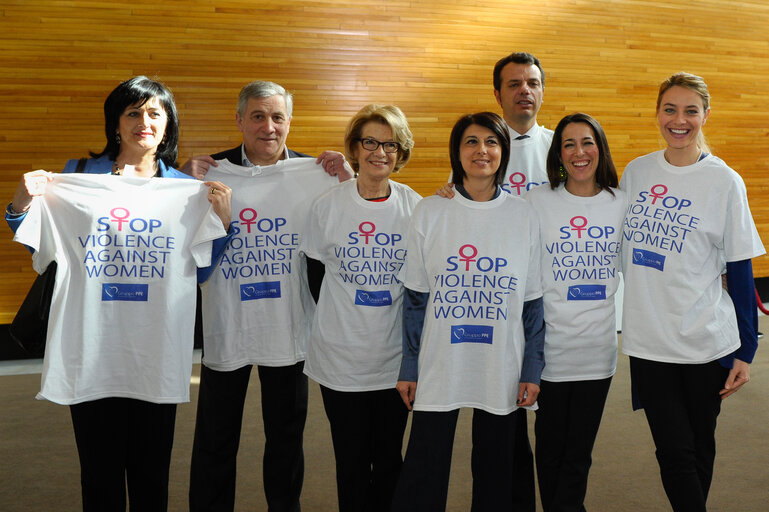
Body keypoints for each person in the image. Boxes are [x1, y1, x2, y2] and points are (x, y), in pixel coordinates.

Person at [5, 76, 232, 511]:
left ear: (168, 125)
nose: (143, 122)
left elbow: (203, 269)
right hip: (90, 349)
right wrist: (20, 204)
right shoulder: (74, 178)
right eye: (132, 113)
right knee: (99, 476)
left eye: (154, 113)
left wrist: (221, 221)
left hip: (155, 352)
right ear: (115, 123)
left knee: (152, 476)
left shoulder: (185, 192)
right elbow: (39, 244)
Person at [187, 80, 351, 512]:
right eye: (257, 116)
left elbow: (355, 216)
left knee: (286, 436)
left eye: (277, 117)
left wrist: (345, 174)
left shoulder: (314, 173)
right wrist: (183, 185)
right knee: (215, 437)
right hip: (227, 325)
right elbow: (183, 240)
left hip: (289, 324)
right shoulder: (208, 172)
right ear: (240, 120)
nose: (268, 127)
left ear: (289, 122)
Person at [620, 72, 764, 511]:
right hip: (649, 342)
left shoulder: (725, 182)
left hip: (705, 343)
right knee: (674, 450)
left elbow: (739, 270)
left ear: (704, 116)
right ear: (658, 113)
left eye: (690, 111)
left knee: (700, 445)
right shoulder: (637, 171)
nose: (678, 120)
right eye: (670, 109)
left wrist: (747, 349)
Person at [390, 112, 545, 511]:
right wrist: (410, 366)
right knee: (425, 463)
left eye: (491, 142)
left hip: (501, 361)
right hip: (441, 358)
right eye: (471, 142)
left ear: (503, 152)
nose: (482, 150)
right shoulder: (429, 211)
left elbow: (532, 304)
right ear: (457, 153)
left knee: (497, 468)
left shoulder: (524, 214)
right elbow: (416, 298)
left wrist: (531, 369)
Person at [299, 104, 421, 511]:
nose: (379, 152)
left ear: (400, 153)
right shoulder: (327, 205)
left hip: (392, 363)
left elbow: (420, 288)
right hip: (340, 361)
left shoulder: (415, 209)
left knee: (388, 460)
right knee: (350, 463)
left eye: (390, 144)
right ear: (354, 148)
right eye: (370, 142)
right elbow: (315, 272)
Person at [524, 113, 626, 511]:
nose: (579, 152)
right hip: (549, 353)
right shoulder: (537, 201)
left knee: (579, 454)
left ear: (600, 148)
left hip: (597, 354)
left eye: (587, 142)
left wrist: (718, 271)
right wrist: (451, 192)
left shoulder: (622, 203)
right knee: (549, 452)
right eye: (568, 144)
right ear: (558, 154)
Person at [493, 51, 553, 198]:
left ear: (542, 93)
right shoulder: (480, 149)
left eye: (533, 84)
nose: (525, 90)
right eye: (514, 84)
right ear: (498, 96)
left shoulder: (560, 146)